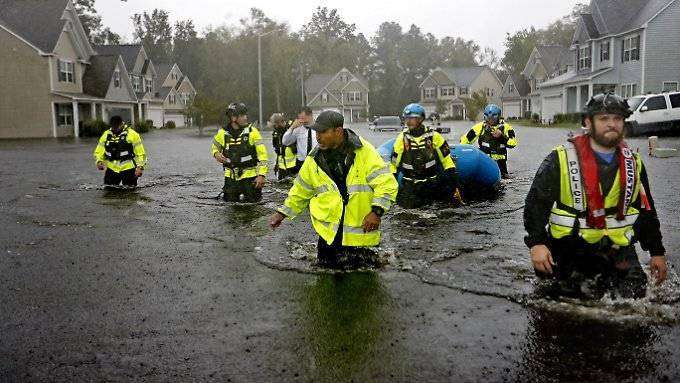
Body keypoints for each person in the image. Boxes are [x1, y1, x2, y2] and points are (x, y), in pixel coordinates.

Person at [524, 93, 668, 299]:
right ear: (588, 122)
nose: (612, 124)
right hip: (570, 248)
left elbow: (646, 211)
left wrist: (657, 252)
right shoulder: (560, 158)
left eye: (617, 118)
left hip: (618, 249)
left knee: (636, 296)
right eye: (604, 119)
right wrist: (537, 244)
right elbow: (535, 205)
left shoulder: (634, 163)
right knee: (565, 304)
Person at [269, 110, 398, 268]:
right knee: (324, 282)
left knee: (364, 286)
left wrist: (376, 212)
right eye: (316, 132)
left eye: (323, 132)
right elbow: (300, 190)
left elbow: (386, 183)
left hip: (360, 235)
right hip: (329, 236)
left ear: (338, 131)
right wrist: (282, 213)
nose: (318, 137)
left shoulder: (364, 151)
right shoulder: (314, 158)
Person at [391, 103, 459, 208]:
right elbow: (393, 166)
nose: (408, 121)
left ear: (421, 119)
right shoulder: (402, 138)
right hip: (410, 185)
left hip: (431, 183)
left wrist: (453, 186)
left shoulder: (434, 137)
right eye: (406, 118)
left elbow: (447, 162)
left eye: (412, 118)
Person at [211, 103, 268, 202]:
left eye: (245, 115)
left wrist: (261, 175)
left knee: (253, 208)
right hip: (230, 179)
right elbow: (215, 146)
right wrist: (216, 154)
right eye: (242, 115)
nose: (246, 118)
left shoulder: (252, 132)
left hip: (250, 179)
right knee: (230, 207)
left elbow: (263, 155)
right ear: (233, 118)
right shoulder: (222, 133)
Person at [460, 104, 517, 178]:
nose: (490, 120)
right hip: (485, 162)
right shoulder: (479, 127)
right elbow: (465, 140)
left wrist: (501, 137)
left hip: (500, 164)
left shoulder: (507, 128)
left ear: (498, 116)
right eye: (488, 117)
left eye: (493, 117)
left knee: (503, 178)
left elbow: (513, 143)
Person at [93, 115, 146, 188]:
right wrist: (99, 161)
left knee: (130, 194)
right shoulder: (106, 134)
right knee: (108, 192)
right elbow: (99, 150)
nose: (114, 129)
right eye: (113, 127)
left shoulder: (133, 134)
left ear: (121, 124)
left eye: (116, 127)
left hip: (128, 169)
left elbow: (141, 153)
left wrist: (140, 167)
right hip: (111, 169)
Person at [281, 106, 316, 172]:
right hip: (302, 163)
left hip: (316, 162)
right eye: (300, 118)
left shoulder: (319, 128)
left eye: (303, 118)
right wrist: (292, 128)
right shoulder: (298, 129)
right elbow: (285, 142)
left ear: (311, 115)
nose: (301, 121)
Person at [270, 113, 298, 180]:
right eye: (274, 125)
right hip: (282, 167)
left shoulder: (291, 130)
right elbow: (278, 150)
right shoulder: (276, 133)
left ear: (281, 122)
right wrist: (276, 164)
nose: (275, 127)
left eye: (276, 125)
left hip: (294, 166)